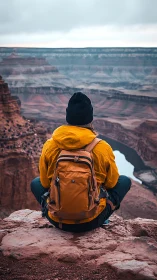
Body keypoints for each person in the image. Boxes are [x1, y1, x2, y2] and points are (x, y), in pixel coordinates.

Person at [31, 92, 131, 232]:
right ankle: (102, 214)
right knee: (125, 181)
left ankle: (50, 210)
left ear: (68, 116)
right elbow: (111, 183)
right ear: (90, 117)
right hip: (92, 220)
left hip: (57, 220)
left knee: (35, 183)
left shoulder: (50, 145)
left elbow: (45, 183)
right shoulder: (102, 147)